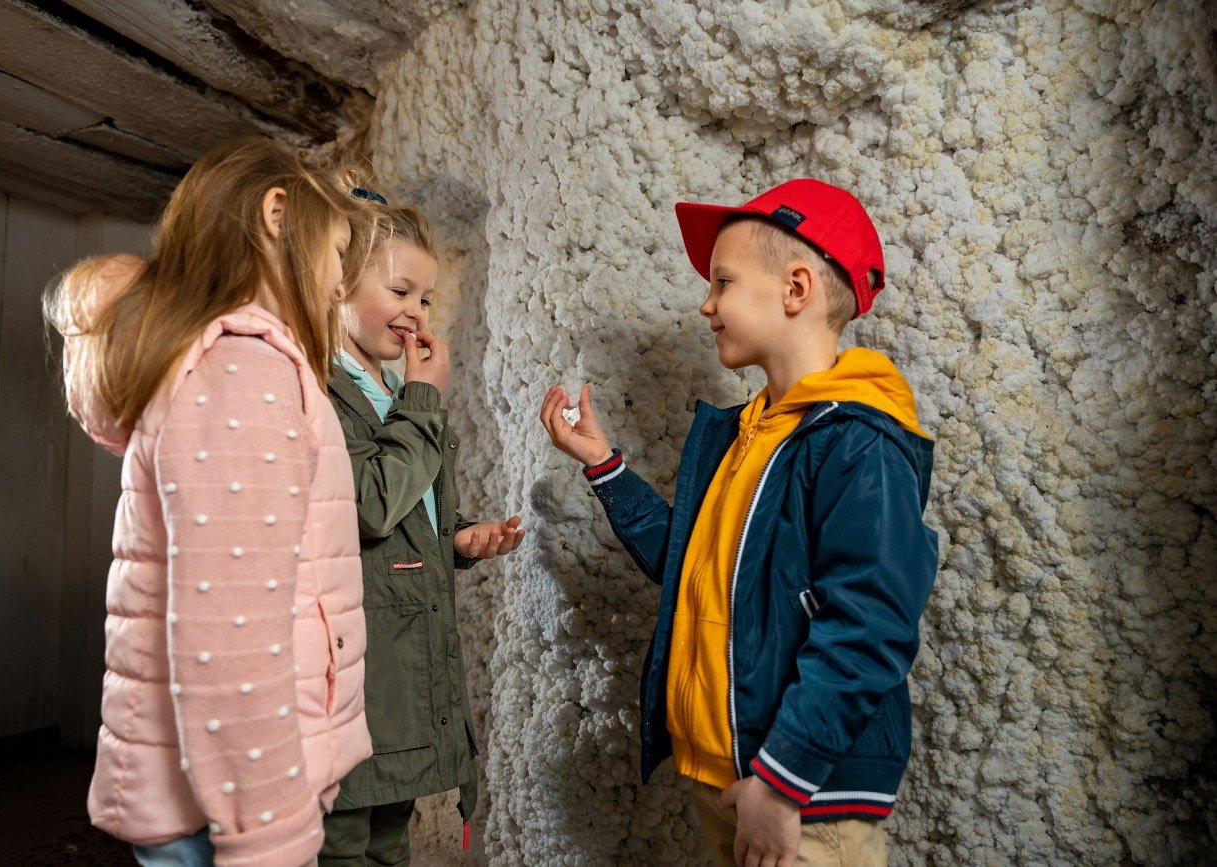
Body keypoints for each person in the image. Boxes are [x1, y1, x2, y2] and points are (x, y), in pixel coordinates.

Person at [541, 179, 939, 867]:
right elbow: (692, 571)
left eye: (722, 280)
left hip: (803, 803)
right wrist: (605, 465)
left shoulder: (859, 441)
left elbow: (870, 625)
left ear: (795, 289)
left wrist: (784, 782)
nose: (706, 302)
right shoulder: (747, 436)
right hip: (732, 784)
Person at [46, 137, 377, 867]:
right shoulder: (243, 371)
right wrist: (270, 837)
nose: (336, 285)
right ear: (276, 214)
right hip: (231, 813)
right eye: (336, 255)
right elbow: (230, 639)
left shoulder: (223, 365)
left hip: (210, 800)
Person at [319, 193, 524, 866]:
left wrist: (457, 538)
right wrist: (425, 397)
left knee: (390, 833)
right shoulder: (325, 390)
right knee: (343, 837)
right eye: (400, 289)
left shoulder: (390, 388)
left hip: (405, 666)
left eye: (426, 297)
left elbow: (406, 507)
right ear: (340, 283)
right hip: (360, 667)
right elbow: (371, 503)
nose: (415, 310)